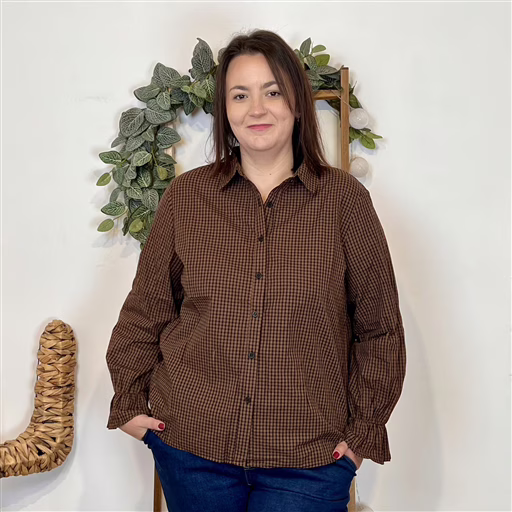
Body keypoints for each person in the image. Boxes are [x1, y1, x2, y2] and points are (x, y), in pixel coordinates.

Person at [105, 29, 406, 512]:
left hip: (310, 455)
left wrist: (361, 434)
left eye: (272, 92)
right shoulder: (187, 198)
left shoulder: (345, 201)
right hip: (193, 445)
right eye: (240, 95)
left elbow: (379, 328)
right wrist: (129, 403)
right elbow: (147, 309)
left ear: (297, 103)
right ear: (225, 109)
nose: (256, 109)